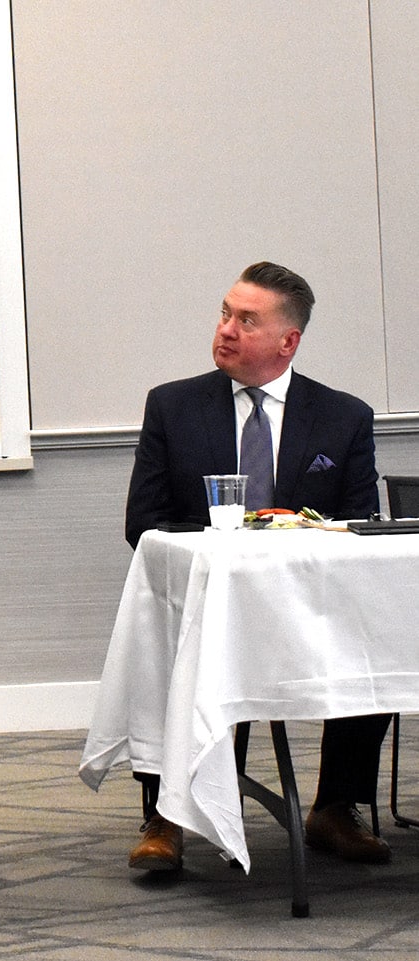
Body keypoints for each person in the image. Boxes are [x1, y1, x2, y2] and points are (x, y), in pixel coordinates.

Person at [123, 261, 387, 870]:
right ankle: (168, 815)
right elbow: (144, 523)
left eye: (247, 320)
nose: (227, 329)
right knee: (174, 644)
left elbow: (358, 524)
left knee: (376, 636)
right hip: (208, 601)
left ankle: (335, 808)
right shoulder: (173, 406)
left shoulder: (343, 416)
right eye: (224, 313)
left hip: (313, 605)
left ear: (287, 341)